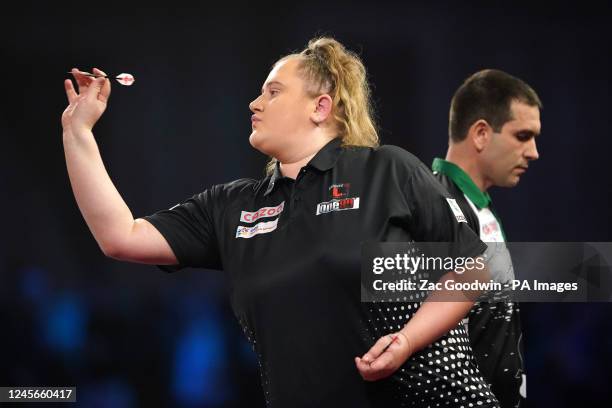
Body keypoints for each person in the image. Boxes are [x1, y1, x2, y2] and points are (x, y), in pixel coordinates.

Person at [62, 37, 499, 407]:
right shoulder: (231, 206)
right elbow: (120, 236)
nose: (254, 103)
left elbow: (475, 268)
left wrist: (407, 340)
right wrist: (77, 133)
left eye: (272, 92)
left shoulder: (386, 170)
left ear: (320, 107)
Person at [432, 69, 542, 407]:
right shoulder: (434, 206)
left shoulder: (481, 211)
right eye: (522, 136)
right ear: (481, 133)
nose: (533, 152)